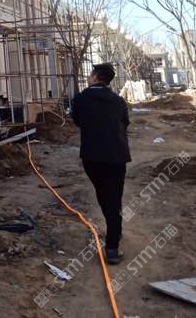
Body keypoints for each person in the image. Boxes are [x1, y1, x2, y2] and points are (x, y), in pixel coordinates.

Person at [71, 63, 131, 265]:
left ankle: (113, 238)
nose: (88, 77)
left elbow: (78, 121)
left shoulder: (80, 99)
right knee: (114, 199)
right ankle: (113, 242)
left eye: (90, 74)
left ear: (96, 77)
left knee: (104, 195)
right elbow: (125, 123)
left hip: (92, 157)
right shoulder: (118, 101)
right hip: (116, 156)